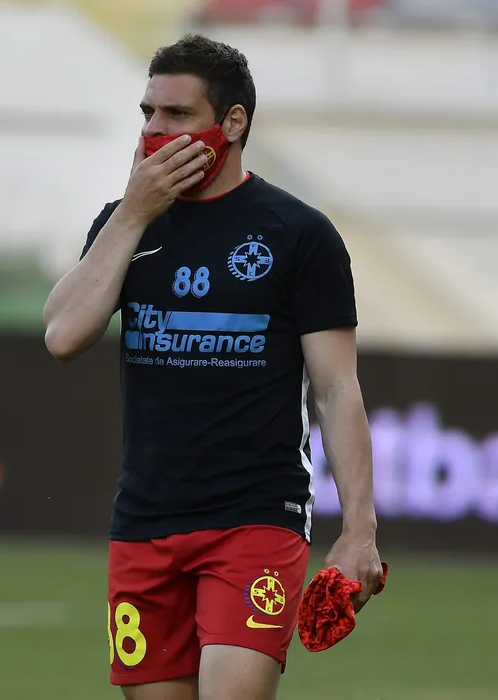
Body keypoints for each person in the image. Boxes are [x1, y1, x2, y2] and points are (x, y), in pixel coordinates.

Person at [43, 33, 383, 700]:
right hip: (145, 520)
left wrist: (359, 530)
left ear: (231, 123)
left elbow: (337, 389)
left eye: (177, 114)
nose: (155, 130)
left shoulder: (299, 234)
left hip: (255, 516)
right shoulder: (124, 226)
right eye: (148, 113)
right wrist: (133, 213)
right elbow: (62, 336)